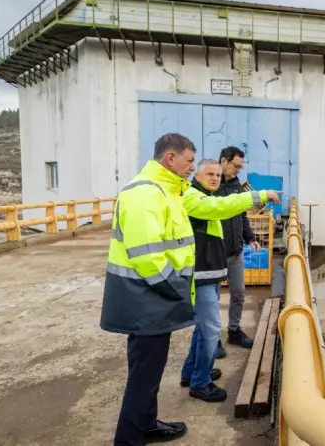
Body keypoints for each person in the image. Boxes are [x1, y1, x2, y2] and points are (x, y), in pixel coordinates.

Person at [101, 133, 277, 445]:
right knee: (143, 376)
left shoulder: (172, 191)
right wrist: (178, 290)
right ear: (170, 159)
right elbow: (148, 257)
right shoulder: (146, 194)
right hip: (147, 298)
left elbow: (219, 206)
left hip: (153, 299)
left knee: (149, 372)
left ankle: (146, 423)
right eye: (189, 162)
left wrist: (254, 197)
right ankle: (129, 439)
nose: (191, 168)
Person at [180, 159, 280, 403]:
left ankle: (191, 372)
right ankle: (200, 382)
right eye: (209, 174)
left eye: (216, 174)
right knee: (211, 329)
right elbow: (222, 207)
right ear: (198, 176)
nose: (214, 178)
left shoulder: (203, 196)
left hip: (210, 271)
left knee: (203, 327)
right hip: (201, 273)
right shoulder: (195, 197)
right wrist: (259, 196)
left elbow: (227, 211)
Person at [214, 146, 260, 358]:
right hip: (214, 252)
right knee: (212, 298)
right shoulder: (211, 184)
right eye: (236, 166)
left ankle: (234, 331)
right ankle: (213, 339)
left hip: (235, 250)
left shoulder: (235, 186)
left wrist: (250, 238)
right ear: (224, 161)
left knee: (239, 292)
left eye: (241, 167)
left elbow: (242, 216)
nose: (238, 171)